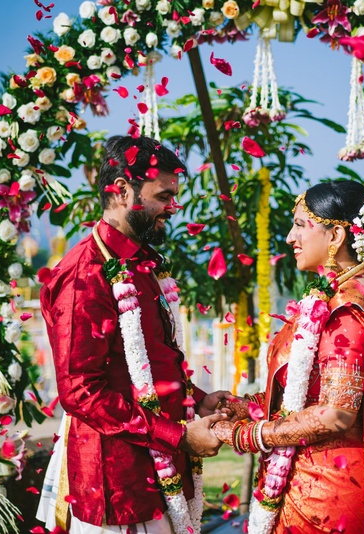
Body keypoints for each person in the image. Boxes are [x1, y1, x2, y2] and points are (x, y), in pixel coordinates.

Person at [36, 135, 232, 533]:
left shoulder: (142, 264)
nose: (173, 208)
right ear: (123, 191)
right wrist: (176, 436)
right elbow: (81, 392)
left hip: (158, 468)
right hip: (118, 479)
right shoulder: (84, 274)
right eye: (163, 196)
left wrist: (200, 400)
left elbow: (150, 362)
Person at [212, 181, 364, 533]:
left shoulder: (346, 312)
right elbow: (310, 392)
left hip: (326, 494)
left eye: (300, 225)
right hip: (317, 477)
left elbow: (336, 414)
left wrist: (246, 435)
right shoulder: (336, 297)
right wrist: (245, 406)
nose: (289, 237)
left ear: (336, 235)